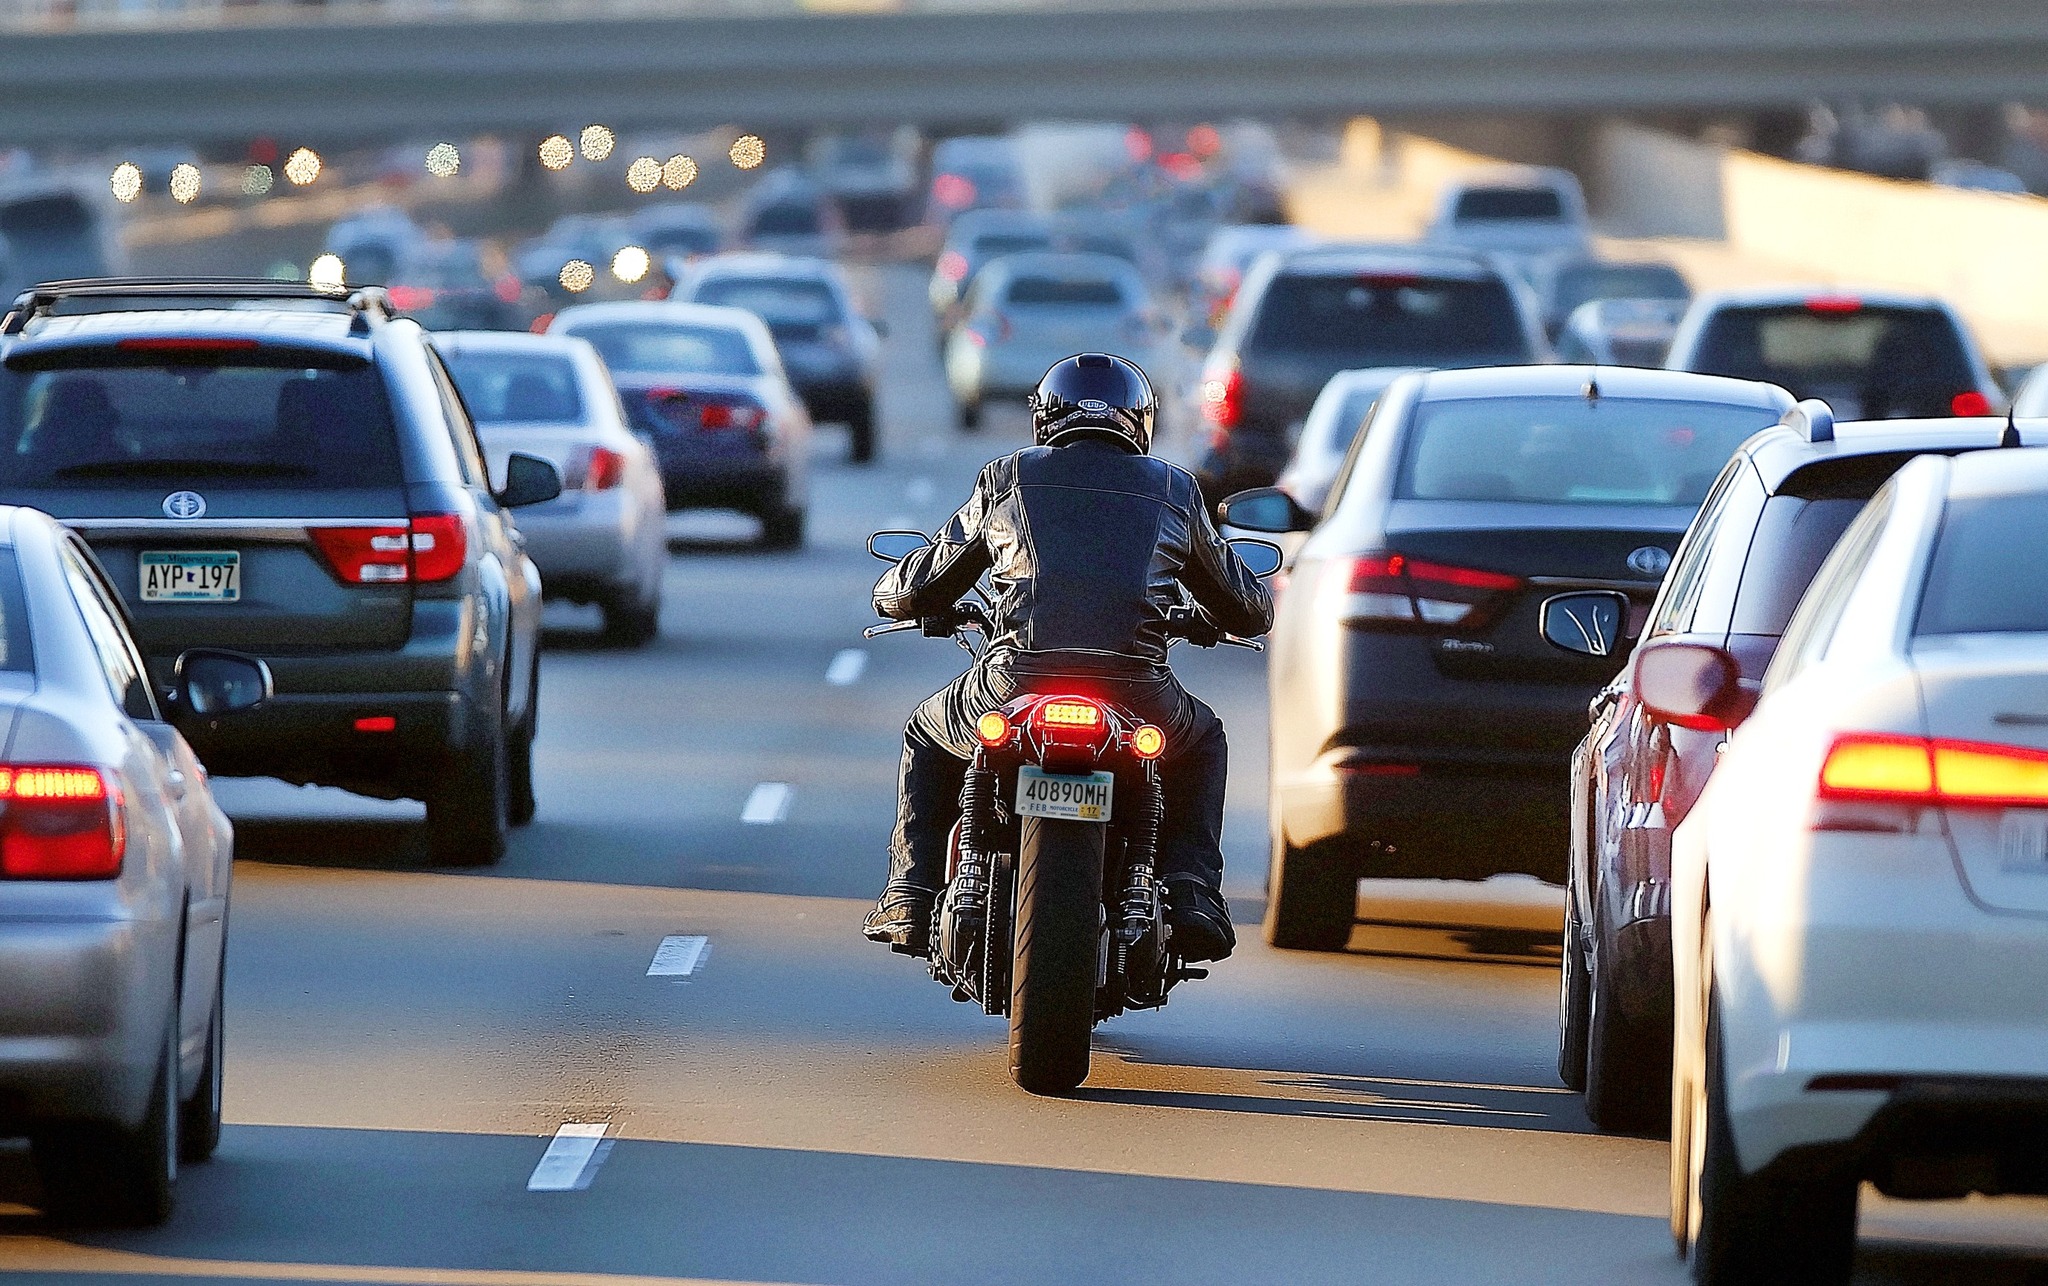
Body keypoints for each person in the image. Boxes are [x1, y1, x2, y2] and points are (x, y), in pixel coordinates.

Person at [863, 353, 1274, 963]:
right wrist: (1203, 617)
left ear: (1045, 418)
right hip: (1138, 695)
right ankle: (1191, 893)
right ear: (1140, 421)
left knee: (926, 731)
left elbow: (926, 581)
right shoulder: (1175, 489)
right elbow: (1249, 609)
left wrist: (897, 594)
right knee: (1204, 738)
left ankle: (910, 894)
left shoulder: (1008, 477)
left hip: (1012, 683)